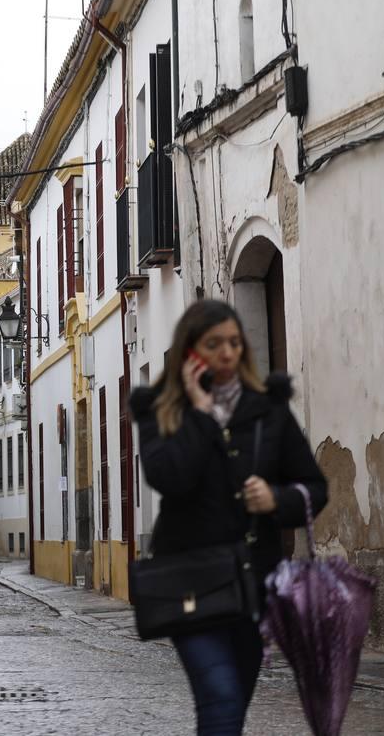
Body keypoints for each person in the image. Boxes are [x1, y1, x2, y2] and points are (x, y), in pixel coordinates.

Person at [129, 300, 328, 736]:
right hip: (190, 585)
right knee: (219, 696)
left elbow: (315, 488)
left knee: (232, 706)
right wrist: (202, 414)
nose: (226, 353)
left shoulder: (268, 410)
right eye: (213, 343)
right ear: (190, 350)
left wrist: (276, 499)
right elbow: (169, 478)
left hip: (254, 587)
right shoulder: (160, 410)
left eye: (234, 343)